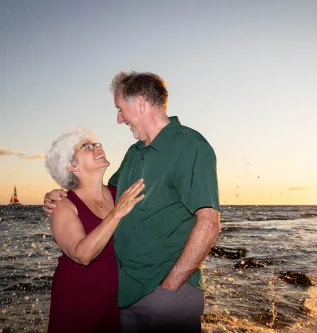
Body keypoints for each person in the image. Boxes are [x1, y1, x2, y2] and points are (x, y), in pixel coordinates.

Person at [44, 71, 220, 333]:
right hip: (125, 300)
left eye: (120, 109)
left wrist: (169, 289)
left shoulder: (190, 145)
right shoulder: (134, 153)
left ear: (140, 103)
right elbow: (101, 194)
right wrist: (57, 194)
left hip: (165, 296)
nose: (118, 119)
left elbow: (209, 225)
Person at [44, 127, 144, 333]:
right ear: (72, 166)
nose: (98, 148)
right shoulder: (62, 205)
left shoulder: (119, 194)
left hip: (114, 303)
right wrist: (117, 212)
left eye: (97, 144)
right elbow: (83, 254)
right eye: (87, 147)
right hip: (77, 302)